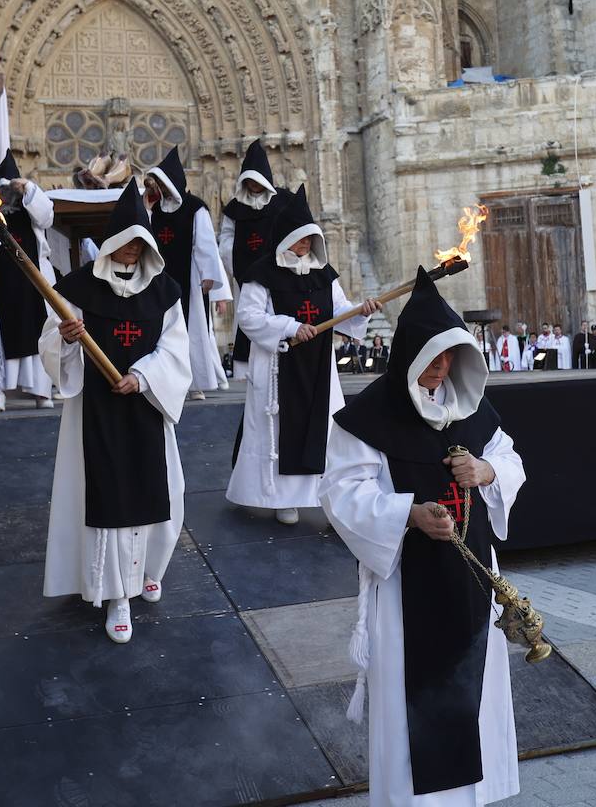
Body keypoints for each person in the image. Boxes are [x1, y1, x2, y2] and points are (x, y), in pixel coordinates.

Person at [320, 268, 526, 807]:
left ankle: (474, 798)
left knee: (475, 695)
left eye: (449, 359)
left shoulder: (472, 407)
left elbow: (510, 460)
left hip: (473, 580)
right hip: (407, 590)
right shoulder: (367, 418)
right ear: (409, 355)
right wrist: (406, 514)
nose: (440, 370)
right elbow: (341, 492)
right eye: (431, 359)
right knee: (412, 702)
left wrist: (486, 471)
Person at [41, 179, 191, 643]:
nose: (131, 251)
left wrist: (144, 376)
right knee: (107, 497)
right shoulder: (78, 288)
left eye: (139, 243)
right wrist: (65, 340)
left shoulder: (165, 291)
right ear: (111, 244)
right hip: (95, 409)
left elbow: (175, 349)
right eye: (124, 243)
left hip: (146, 404)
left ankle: (146, 570)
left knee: (162, 489)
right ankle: (116, 595)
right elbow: (51, 339)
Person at [227, 186, 380, 524]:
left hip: (318, 368)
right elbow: (249, 317)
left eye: (310, 240)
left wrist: (363, 311)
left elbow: (341, 312)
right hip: (278, 367)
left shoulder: (325, 275)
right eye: (300, 240)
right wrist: (290, 327)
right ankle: (282, 498)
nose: (305, 246)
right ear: (284, 240)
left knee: (324, 429)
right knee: (279, 431)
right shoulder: (261, 275)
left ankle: (325, 495)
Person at [143, 148, 231, 400]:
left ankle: (196, 383)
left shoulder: (195, 208)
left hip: (189, 278)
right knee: (160, 329)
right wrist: (146, 208)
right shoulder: (152, 208)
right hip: (158, 277)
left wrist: (213, 283)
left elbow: (206, 246)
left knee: (192, 330)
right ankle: (162, 380)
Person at [0, 151, 56, 410]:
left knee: (38, 332)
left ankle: (42, 391)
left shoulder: (30, 206)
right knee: (2, 334)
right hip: (1, 280)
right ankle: (0, 392)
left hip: (32, 281)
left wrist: (27, 187)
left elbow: (47, 215)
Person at [218, 140, 288, 380]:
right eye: (249, 180)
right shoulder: (235, 208)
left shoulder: (283, 202)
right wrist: (236, 264)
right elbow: (226, 239)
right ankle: (247, 368)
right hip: (247, 274)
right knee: (249, 317)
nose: (254, 185)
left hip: (280, 272)